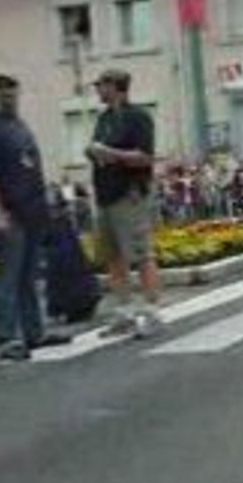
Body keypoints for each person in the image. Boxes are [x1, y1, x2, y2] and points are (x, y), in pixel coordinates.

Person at [0, 74, 69, 360]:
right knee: (8, 278)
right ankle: (7, 338)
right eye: (2, 94)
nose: (8, 98)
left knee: (29, 276)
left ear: (18, 93)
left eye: (12, 93)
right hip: (10, 214)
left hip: (33, 212)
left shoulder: (19, 125)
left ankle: (34, 332)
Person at [86, 68, 162, 338]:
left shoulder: (138, 117)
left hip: (129, 194)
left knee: (141, 254)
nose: (97, 90)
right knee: (113, 257)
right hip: (105, 194)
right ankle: (125, 312)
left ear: (115, 86)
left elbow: (145, 156)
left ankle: (151, 311)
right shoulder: (104, 119)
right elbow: (98, 150)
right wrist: (94, 154)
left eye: (101, 85)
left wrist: (110, 153)